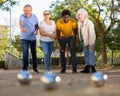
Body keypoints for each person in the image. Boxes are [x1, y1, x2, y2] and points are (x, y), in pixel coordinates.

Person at [56, 9, 78, 73]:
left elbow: (75, 34)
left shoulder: (73, 21)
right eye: (64, 17)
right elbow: (58, 35)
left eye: (67, 17)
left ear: (69, 16)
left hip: (71, 37)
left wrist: (75, 44)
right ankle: (63, 69)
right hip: (62, 37)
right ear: (62, 17)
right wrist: (60, 45)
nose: (66, 18)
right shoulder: (59, 22)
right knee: (62, 52)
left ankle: (74, 69)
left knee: (73, 52)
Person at [19, 4, 39, 73]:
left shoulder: (35, 17)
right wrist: (22, 28)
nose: (27, 12)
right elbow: (21, 24)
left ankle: (35, 68)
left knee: (34, 53)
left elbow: (36, 26)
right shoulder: (22, 16)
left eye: (29, 10)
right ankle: (25, 68)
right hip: (24, 38)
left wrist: (36, 31)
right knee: (25, 52)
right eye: (26, 10)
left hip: (33, 37)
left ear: (31, 10)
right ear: (23, 10)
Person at [76, 8, 96, 73]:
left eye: (81, 14)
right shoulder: (79, 22)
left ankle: (92, 67)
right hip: (83, 40)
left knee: (91, 53)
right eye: (78, 14)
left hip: (90, 39)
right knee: (86, 53)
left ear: (85, 15)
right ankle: (87, 68)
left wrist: (91, 43)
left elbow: (92, 34)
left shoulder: (89, 23)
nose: (79, 16)